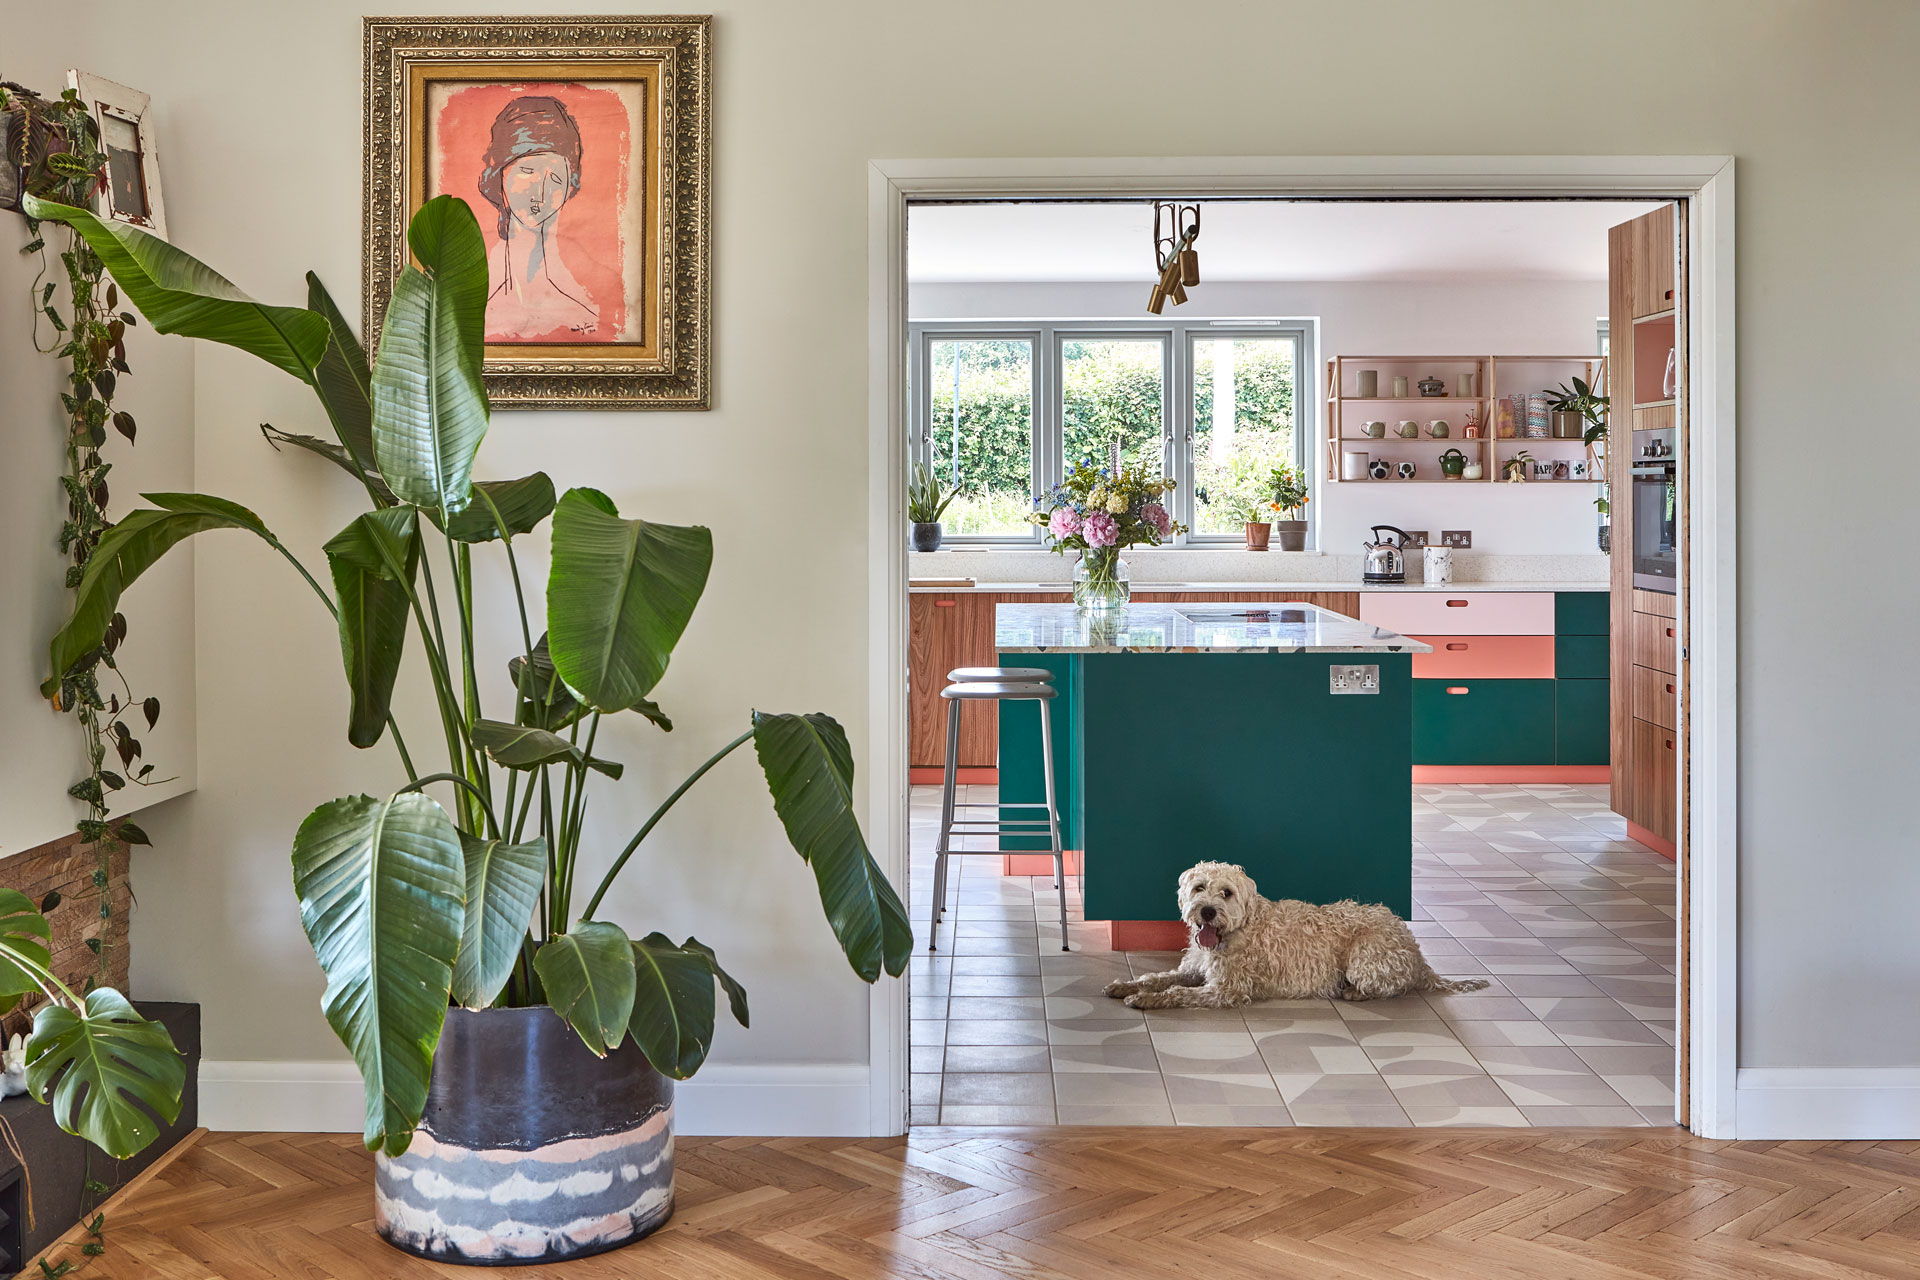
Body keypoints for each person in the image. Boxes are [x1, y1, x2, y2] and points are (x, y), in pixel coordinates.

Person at [476, 95, 599, 340]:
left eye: (554, 178)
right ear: (499, 176)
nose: (540, 192)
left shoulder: (581, 320)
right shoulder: (478, 320)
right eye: (527, 171)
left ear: (568, 188)